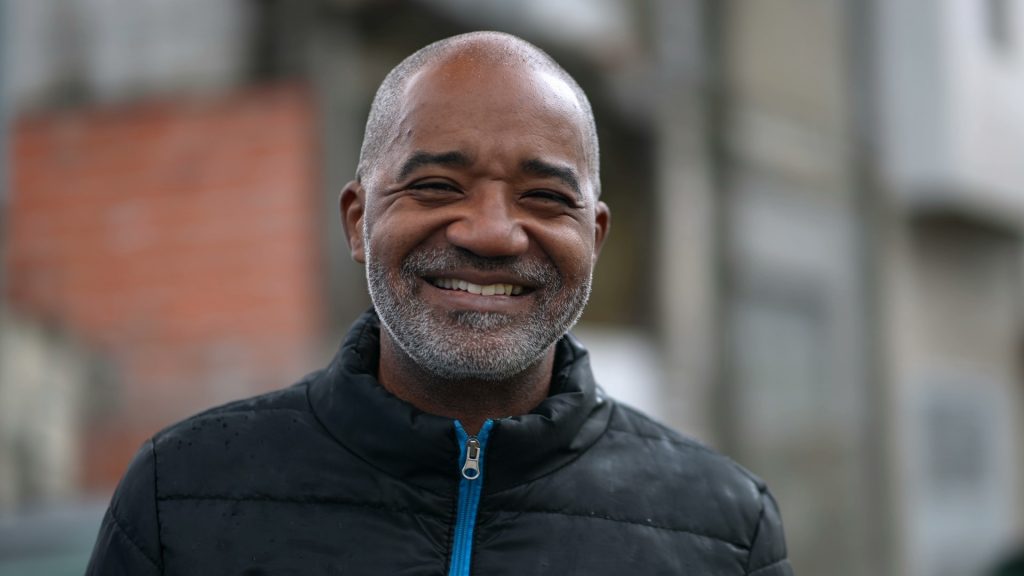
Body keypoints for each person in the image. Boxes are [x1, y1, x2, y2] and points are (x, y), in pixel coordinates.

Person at [86, 31, 793, 575]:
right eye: (435, 187)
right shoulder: (180, 495)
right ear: (359, 220)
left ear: (594, 237)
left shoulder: (725, 530)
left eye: (545, 198)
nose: (490, 232)